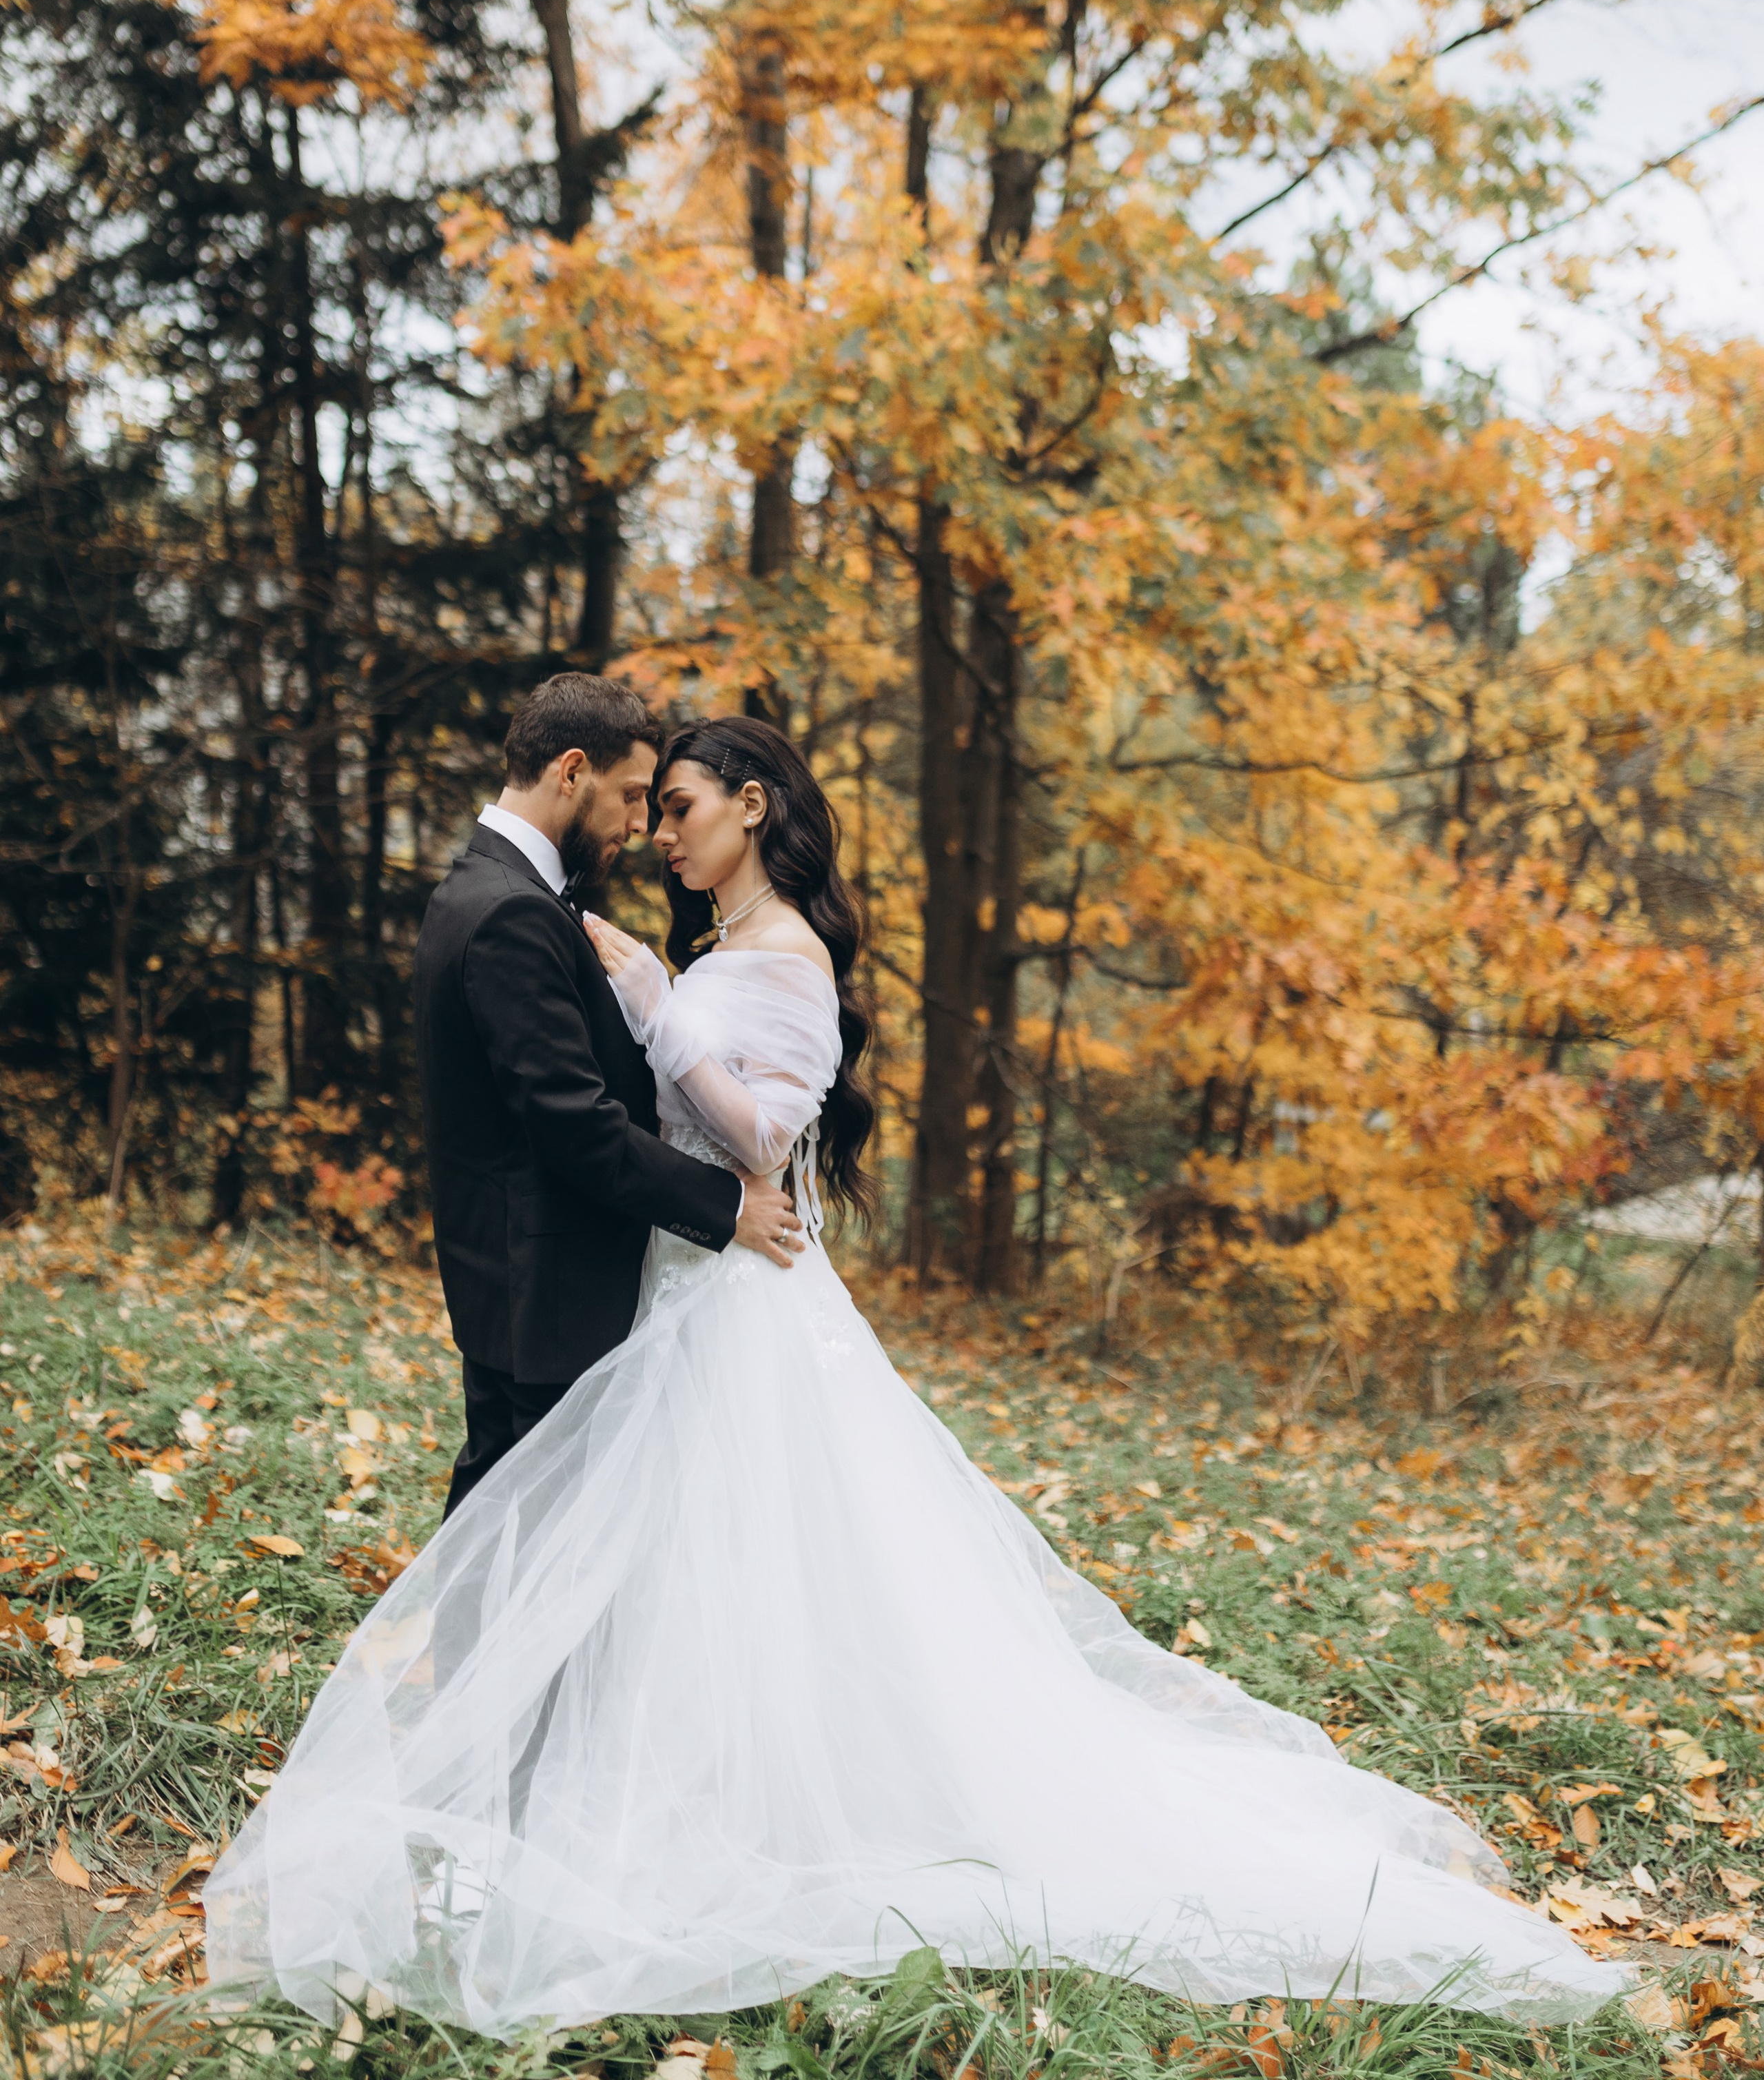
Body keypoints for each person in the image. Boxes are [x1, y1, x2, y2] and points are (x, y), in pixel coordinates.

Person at [205, 717, 1629, 2038]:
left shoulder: (782, 964)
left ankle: (753, 1815)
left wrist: (658, 1012)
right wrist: (656, 1005)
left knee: (758, 1559)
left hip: (740, 1304)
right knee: (686, 1571)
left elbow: (763, 1141)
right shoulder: (716, 944)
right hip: (684, 1294)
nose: (661, 833)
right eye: (653, 808)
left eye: (684, 808)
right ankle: (645, 1795)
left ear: (751, 809)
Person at [409, 671, 803, 1514]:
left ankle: (466, 1652)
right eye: (631, 795)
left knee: (506, 1529)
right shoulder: (513, 910)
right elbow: (571, 1123)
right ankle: (472, 1654)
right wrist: (727, 1204)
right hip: (543, 1287)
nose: (640, 824)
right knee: (530, 1542)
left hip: (517, 1277)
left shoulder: (484, 891)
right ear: (571, 771)